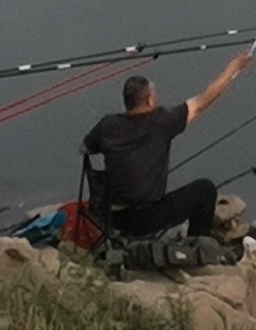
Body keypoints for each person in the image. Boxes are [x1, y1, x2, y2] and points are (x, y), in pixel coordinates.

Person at [84, 49, 247, 243]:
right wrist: (234, 68)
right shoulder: (162, 122)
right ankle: (197, 247)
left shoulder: (107, 125)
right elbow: (204, 100)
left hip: (110, 217)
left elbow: (84, 149)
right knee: (205, 190)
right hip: (145, 219)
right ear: (149, 100)